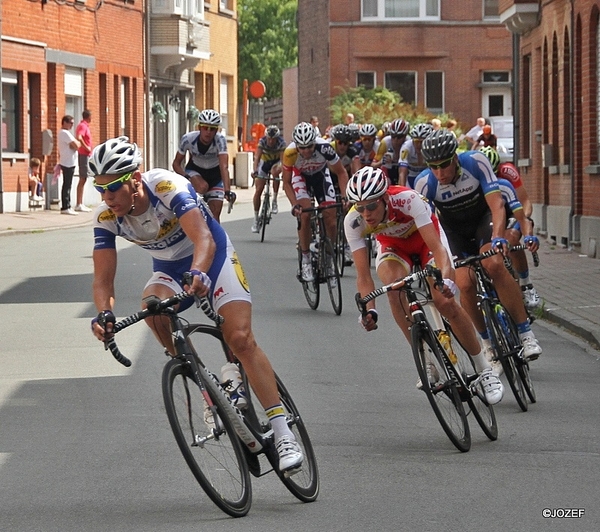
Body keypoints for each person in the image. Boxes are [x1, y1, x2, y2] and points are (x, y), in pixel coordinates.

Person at [89, 136, 303, 474]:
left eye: (113, 186)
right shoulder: (106, 217)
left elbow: (203, 237)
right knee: (153, 310)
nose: (106, 196)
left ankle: (282, 431)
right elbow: (103, 280)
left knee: (240, 339)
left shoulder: (166, 186)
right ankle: (207, 384)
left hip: (212, 257)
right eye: (99, 188)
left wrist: (200, 273)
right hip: (169, 269)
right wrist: (104, 313)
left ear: (134, 178)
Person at [345, 166, 503, 403]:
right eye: (360, 207)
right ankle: (426, 361)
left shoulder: (408, 200)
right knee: (393, 287)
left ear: (385, 198)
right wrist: (370, 311)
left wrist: (448, 280)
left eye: (371, 206)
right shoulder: (353, 221)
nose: (366, 213)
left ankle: (484, 371)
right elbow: (364, 277)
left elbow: (439, 250)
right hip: (394, 248)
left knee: (444, 301)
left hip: (424, 241)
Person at [414, 129, 542, 363]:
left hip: (483, 222)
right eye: (433, 166)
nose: (439, 173)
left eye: (444, 165)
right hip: (454, 233)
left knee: (493, 264)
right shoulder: (424, 183)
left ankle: (526, 334)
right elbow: (428, 226)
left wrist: (498, 237)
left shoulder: (476, 163)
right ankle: (486, 343)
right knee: (463, 282)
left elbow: (497, 205)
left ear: (455, 157)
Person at [281, 122, 349, 282]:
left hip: (320, 176)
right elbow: (286, 182)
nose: (305, 151)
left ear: (315, 142)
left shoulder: (325, 147)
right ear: (296, 146)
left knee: (331, 219)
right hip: (300, 177)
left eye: (309, 146)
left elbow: (341, 172)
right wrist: (294, 204)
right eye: (302, 147)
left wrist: (345, 196)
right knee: (305, 214)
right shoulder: (290, 152)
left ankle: (328, 258)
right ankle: (305, 260)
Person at [480, 146, 541, 309]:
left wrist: (525, 219)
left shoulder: (507, 171)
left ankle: (526, 284)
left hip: (513, 209)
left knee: (512, 237)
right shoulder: (475, 177)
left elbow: (525, 201)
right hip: (492, 212)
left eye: (494, 173)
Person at [172, 109, 234, 222]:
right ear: (199, 127)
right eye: (205, 128)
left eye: (212, 129)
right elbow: (176, 163)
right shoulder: (188, 139)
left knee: (215, 215)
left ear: (217, 131)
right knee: (202, 186)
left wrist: (227, 190)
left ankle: (214, 238)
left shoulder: (220, 140)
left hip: (215, 175)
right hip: (195, 171)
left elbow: (224, 167)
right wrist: (186, 177)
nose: (208, 132)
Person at [251, 124, 286, 232]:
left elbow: (283, 161)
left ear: (277, 138)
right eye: (269, 138)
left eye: (273, 139)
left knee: (275, 172)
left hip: (276, 162)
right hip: (264, 162)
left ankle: (274, 200)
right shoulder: (262, 141)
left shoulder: (281, 143)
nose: (270, 141)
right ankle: (256, 219)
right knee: (258, 191)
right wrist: (255, 170)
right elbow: (257, 158)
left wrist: (284, 174)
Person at [372, 118, 409, 185]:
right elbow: (373, 165)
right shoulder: (385, 142)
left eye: (399, 137)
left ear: (405, 136)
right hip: (388, 170)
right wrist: (381, 161)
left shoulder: (409, 143)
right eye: (393, 136)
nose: (395, 140)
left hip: (406, 171)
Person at [398, 122, 434, 189]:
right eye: (416, 141)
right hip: (411, 178)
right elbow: (402, 172)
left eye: (422, 142)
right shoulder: (406, 147)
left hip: (427, 177)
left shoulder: (432, 148)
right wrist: (402, 190)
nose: (419, 145)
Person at [58, 115, 81, 215]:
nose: (72, 125)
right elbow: (76, 145)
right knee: (67, 185)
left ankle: (68, 205)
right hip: (67, 162)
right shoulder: (64, 133)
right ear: (65, 123)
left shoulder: (66, 133)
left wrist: (76, 144)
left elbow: (76, 145)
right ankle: (65, 206)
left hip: (69, 161)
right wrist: (76, 144)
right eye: (70, 123)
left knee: (68, 184)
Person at [75, 109, 93, 212]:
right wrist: (87, 147)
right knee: (83, 178)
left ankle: (80, 203)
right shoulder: (83, 126)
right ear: (88, 117)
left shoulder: (85, 126)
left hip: (85, 154)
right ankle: (79, 203)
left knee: (84, 178)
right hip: (83, 154)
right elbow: (79, 137)